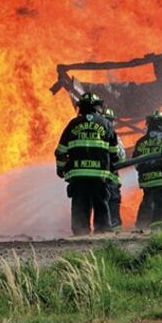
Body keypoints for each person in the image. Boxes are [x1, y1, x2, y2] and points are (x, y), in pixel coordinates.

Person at [54, 92, 122, 235]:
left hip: (78, 175)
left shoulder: (73, 124)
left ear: (81, 107)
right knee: (101, 203)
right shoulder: (106, 124)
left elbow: (61, 151)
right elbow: (114, 152)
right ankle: (102, 233)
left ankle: (80, 233)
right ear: (98, 107)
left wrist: (61, 169)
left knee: (80, 204)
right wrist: (112, 166)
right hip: (100, 175)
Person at [133, 108, 162, 229]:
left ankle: (141, 227)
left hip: (147, 181)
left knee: (147, 202)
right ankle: (158, 230)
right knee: (160, 208)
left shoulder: (141, 141)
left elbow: (136, 163)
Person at [102, 105, 125, 229]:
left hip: (96, 179)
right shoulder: (115, 137)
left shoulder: (92, 134)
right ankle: (113, 232)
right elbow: (121, 157)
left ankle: (101, 230)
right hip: (110, 179)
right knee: (112, 204)